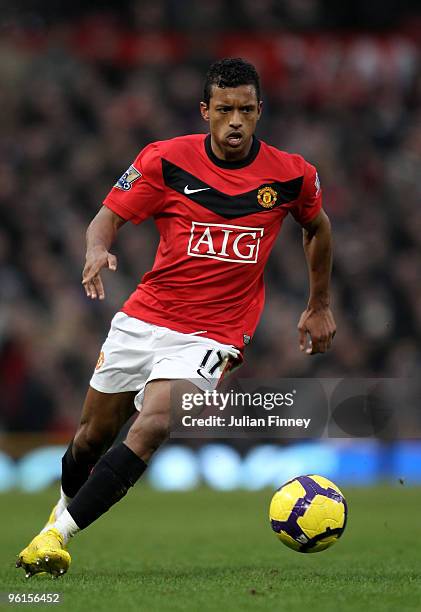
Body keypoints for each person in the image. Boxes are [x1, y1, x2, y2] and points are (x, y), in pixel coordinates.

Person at [16, 57, 336, 578]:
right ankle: (61, 512)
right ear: (205, 110)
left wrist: (318, 303)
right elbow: (108, 217)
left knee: (157, 422)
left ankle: (57, 534)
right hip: (145, 317)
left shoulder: (293, 175)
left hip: (217, 333)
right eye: (226, 109)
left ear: (260, 112)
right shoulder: (165, 160)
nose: (236, 121)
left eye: (247, 111)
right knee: (91, 438)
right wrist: (97, 249)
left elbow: (317, 227)